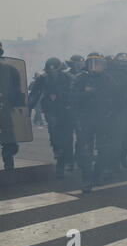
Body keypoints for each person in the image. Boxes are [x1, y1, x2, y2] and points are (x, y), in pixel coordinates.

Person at [71, 52, 119, 193]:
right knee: (84, 150)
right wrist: (85, 93)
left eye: (98, 63)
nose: (96, 66)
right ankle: (86, 179)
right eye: (93, 63)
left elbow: (116, 98)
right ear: (87, 64)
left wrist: (112, 115)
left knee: (104, 149)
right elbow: (72, 98)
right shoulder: (80, 79)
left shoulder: (108, 79)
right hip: (85, 119)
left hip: (103, 119)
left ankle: (97, 175)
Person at [29, 58, 73, 178]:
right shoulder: (42, 78)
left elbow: (76, 94)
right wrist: (27, 109)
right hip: (51, 110)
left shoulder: (68, 77)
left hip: (66, 110)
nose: (53, 72)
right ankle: (61, 163)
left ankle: (67, 160)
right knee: (56, 136)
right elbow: (34, 94)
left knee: (66, 137)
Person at [0, 42, 24, 171]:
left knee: (11, 143)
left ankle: (8, 163)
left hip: (4, 109)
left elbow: (17, 90)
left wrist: (19, 106)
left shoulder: (11, 70)